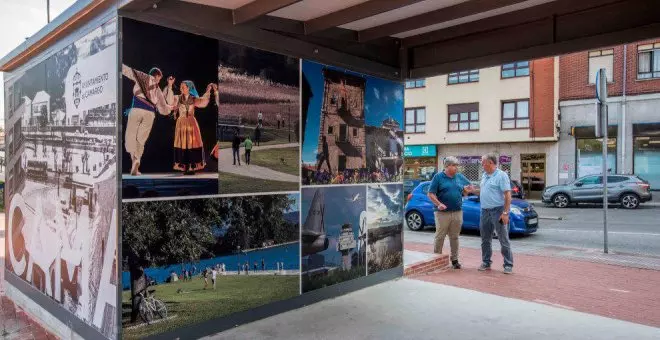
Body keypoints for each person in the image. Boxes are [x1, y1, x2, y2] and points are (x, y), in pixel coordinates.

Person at [121, 65, 173, 176]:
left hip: (136, 109)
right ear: (157, 75)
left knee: (130, 135)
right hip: (150, 113)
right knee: (141, 138)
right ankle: (137, 159)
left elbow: (127, 71)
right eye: (160, 78)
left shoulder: (141, 76)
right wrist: (170, 108)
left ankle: (134, 160)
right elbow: (163, 107)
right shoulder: (158, 89)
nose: (159, 80)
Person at [427, 156, 474, 270]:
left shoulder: (459, 176)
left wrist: (466, 191)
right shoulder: (438, 177)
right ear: (447, 166)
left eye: (457, 165)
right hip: (442, 213)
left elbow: (468, 188)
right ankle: (436, 259)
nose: (456, 168)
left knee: (455, 237)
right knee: (440, 236)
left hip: (457, 212)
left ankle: (455, 260)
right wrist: (439, 204)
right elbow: (430, 194)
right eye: (454, 165)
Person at [165, 80, 217, 175]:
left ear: (188, 88)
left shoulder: (193, 99)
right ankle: (185, 166)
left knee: (192, 143)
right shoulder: (178, 98)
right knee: (183, 144)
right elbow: (170, 101)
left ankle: (191, 167)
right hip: (181, 123)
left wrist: (208, 90)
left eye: (183, 87)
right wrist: (170, 86)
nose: (181, 88)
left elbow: (203, 102)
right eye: (181, 87)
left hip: (191, 123)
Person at [478, 153, 514, 274]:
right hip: (484, 211)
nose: (482, 165)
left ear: (491, 163)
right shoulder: (484, 175)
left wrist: (505, 212)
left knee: (503, 239)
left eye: (483, 162)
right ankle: (486, 262)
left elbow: (508, 195)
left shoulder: (501, 175)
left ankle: (508, 264)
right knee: (485, 239)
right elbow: (483, 192)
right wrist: (472, 190)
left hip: (498, 210)